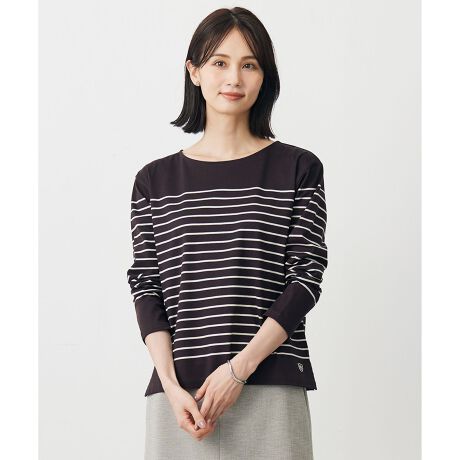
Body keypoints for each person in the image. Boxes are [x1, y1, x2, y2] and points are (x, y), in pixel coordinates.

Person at [126, 6, 328, 459]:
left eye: (249, 64)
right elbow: (146, 285)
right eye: (219, 62)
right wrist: (170, 383)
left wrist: (239, 370)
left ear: (264, 77)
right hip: (181, 398)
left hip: (270, 386)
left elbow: (306, 276)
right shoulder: (154, 181)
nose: (234, 77)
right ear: (194, 71)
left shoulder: (297, 168)